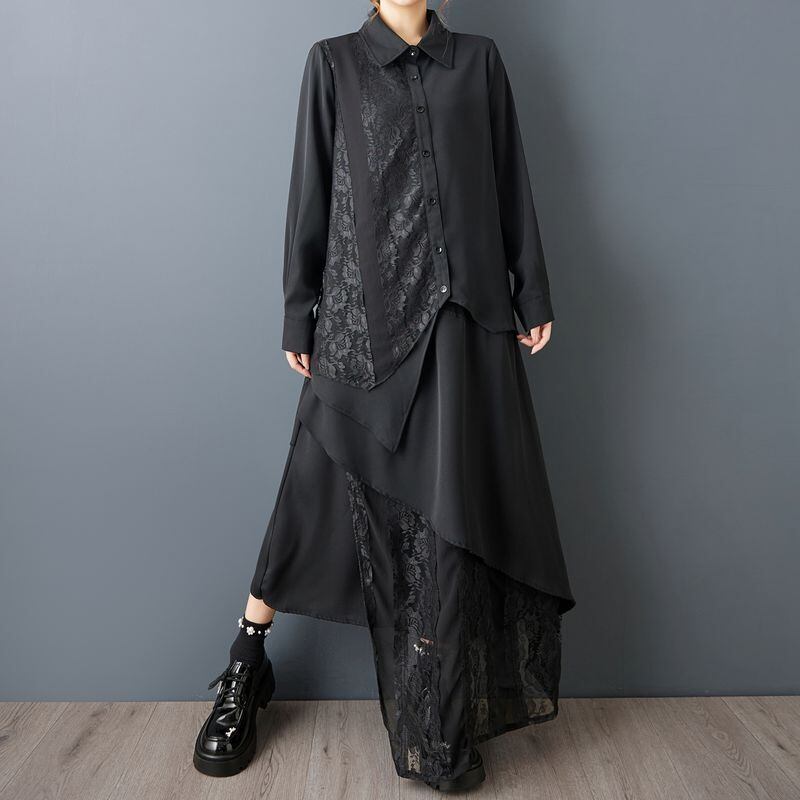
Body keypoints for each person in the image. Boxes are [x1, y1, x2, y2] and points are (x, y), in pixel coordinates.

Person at [192, 0, 575, 792]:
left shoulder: (481, 62)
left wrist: (530, 290)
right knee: (309, 496)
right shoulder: (332, 62)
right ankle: (245, 664)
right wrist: (299, 311)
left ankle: (438, 722)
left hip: (465, 321)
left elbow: (510, 177)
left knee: (449, 522)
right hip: (361, 326)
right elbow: (311, 190)